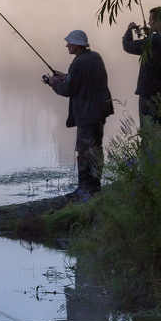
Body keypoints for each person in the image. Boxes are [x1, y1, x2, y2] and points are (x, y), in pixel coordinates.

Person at [42, 30, 113, 197]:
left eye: (69, 43)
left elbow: (68, 90)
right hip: (100, 111)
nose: (67, 45)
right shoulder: (95, 57)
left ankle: (83, 189)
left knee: (84, 151)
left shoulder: (78, 62)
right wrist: (65, 76)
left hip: (87, 114)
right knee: (96, 149)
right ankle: (94, 188)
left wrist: (53, 83)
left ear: (77, 45)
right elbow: (83, 80)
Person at [124, 6, 161, 137]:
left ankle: (148, 150)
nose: (148, 23)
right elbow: (159, 54)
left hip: (148, 92)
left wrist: (129, 29)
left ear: (157, 21)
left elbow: (127, 46)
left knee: (147, 131)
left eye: (151, 20)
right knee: (159, 129)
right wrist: (150, 36)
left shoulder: (152, 41)